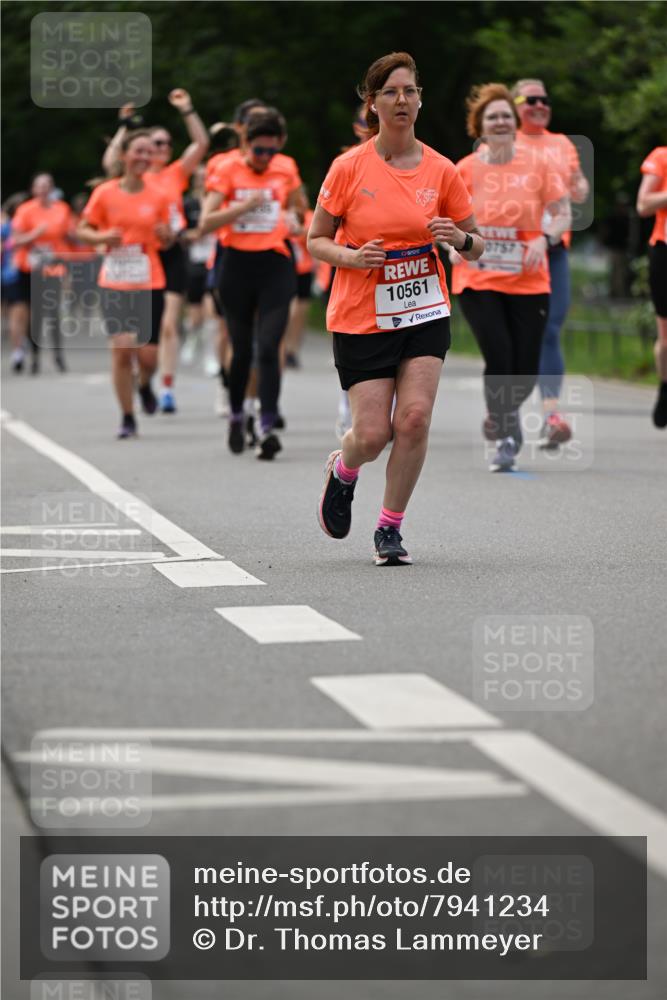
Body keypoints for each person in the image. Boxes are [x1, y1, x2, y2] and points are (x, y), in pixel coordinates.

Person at [308, 52, 482, 565]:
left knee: (414, 418)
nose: (402, 100)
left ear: (420, 100)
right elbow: (316, 239)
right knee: (372, 433)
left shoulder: (441, 169)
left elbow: (479, 246)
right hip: (362, 312)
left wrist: (461, 237)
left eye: (410, 91)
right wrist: (352, 257)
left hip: (425, 306)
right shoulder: (348, 168)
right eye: (391, 92)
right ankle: (344, 469)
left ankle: (389, 528)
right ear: (373, 103)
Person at [450, 82, 569, 472]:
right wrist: (451, 246)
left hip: (529, 279)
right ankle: (504, 434)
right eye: (492, 117)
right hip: (478, 278)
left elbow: (562, 211)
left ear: (513, 121)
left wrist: (545, 239)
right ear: (480, 126)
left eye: (505, 115)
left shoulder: (538, 164)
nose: (500, 121)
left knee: (526, 370)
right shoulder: (464, 170)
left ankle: (500, 411)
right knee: (499, 356)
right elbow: (443, 220)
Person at [201, 109, 305, 459]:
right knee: (242, 348)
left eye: (270, 152)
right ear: (245, 143)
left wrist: (295, 220)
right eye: (258, 151)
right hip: (236, 267)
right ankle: (236, 414)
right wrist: (243, 205)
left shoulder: (286, 168)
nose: (264, 159)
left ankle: (267, 423)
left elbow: (301, 211)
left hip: (275, 266)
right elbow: (205, 221)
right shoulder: (227, 169)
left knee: (268, 346)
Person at [103, 91, 209, 413]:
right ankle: (142, 379)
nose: (160, 149)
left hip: (170, 253)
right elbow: (110, 161)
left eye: (165, 144)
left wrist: (187, 109)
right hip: (136, 256)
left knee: (166, 326)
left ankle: (164, 386)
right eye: (155, 144)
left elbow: (201, 144)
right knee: (134, 338)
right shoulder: (134, 174)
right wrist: (123, 125)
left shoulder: (175, 173)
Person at [77, 131, 173, 438]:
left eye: (149, 153)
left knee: (147, 357)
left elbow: (170, 236)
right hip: (115, 281)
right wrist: (102, 238)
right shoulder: (105, 193)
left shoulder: (159, 194)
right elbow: (83, 230)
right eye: (139, 151)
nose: (144, 157)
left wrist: (166, 234)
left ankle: (144, 384)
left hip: (149, 280)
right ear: (124, 156)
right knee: (121, 351)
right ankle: (128, 416)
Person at [512, 78, 589, 449]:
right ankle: (505, 412)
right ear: (515, 105)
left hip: (553, 248)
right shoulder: (505, 142)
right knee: (514, 334)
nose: (540, 104)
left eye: (545, 99)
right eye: (530, 99)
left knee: (552, 327)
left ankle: (552, 415)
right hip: (511, 251)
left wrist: (579, 187)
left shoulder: (562, 144)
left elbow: (578, 189)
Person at [11, 174, 74, 374]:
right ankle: (35, 357)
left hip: (52, 266)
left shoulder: (61, 209)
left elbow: (70, 234)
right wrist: (34, 235)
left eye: (47, 186)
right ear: (34, 189)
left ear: (52, 188)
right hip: (30, 267)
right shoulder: (25, 210)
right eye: (40, 186)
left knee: (53, 312)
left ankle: (58, 355)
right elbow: (16, 240)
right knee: (33, 314)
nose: (44, 189)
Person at [636, 144, 667, 428]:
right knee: (666, 339)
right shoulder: (661, 157)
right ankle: (665, 384)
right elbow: (643, 204)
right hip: (664, 252)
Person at [1, 193, 27, 371]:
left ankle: (19, 343)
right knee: (15, 315)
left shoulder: (27, 224)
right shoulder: (7, 228)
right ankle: (18, 349)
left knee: (20, 315)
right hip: (11, 275)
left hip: (27, 274)